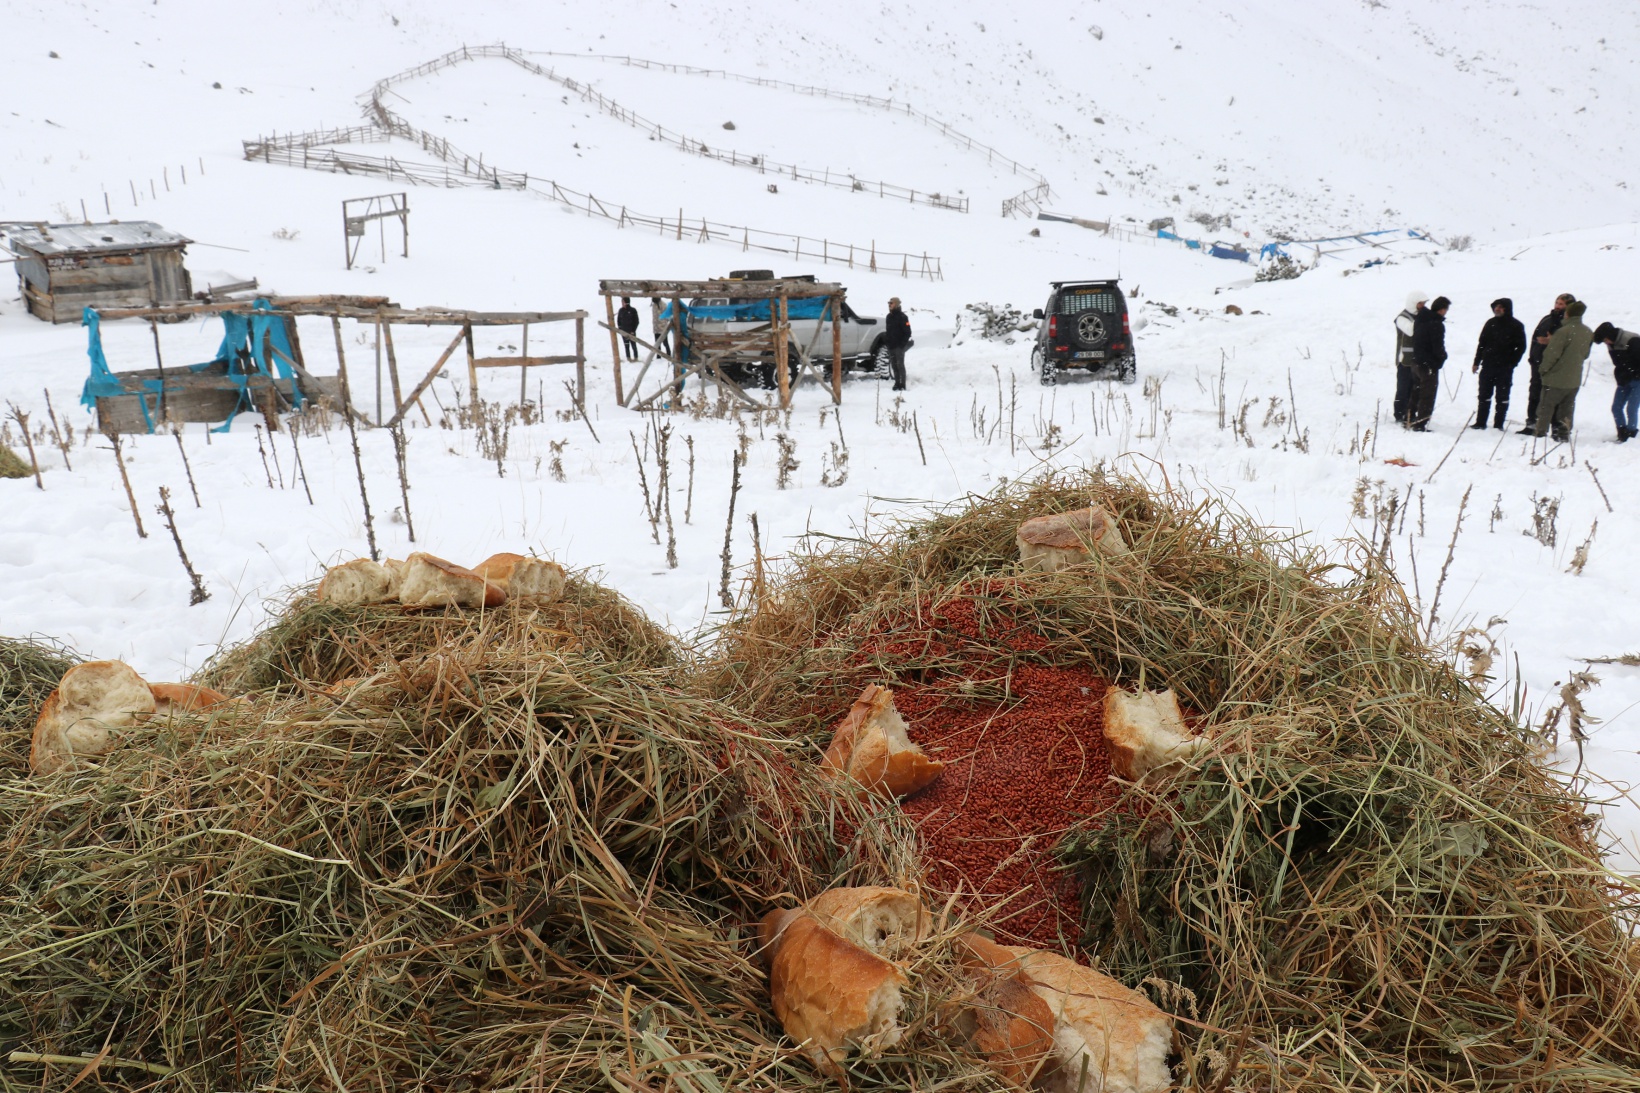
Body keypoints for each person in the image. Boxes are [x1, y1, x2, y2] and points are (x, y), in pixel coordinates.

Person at [1532, 300, 1592, 441]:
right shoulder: (1588, 332)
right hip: (1574, 378)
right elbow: (1586, 354)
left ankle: (1540, 436)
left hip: (1555, 379)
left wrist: (1543, 370)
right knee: (1567, 409)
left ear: (1568, 313)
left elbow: (1552, 354)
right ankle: (1564, 435)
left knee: (1546, 407)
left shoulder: (1563, 332)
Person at [1519, 292, 1574, 433]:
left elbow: (1569, 345)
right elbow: (1535, 338)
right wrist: (1533, 357)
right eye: (1557, 303)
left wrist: (1551, 341)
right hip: (1538, 363)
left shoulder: (1569, 325)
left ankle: (1555, 425)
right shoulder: (1546, 319)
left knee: (1553, 397)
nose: (1558, 306)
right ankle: (1531, 423)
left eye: (1561, 304)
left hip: (1556, 367)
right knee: (1535, 394)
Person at [1470, 298, 1526, 429]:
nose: (1497, 309)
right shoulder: (1490, 323)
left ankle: (1498, 424)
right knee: (1484, 395)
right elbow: (1482, 344)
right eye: (1496, 306)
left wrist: (1512, 363)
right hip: (1488, 366)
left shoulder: (1516, 325)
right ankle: (1480, 422)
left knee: (1502, 397)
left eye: (1501, 307)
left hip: (1505, 368)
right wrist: (1476, 362)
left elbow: (1521, 347)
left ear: (1507, 308)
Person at [1593, 321, 1639, 442]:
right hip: (1624, 379)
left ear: (1610, 336)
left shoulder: (1631, 340)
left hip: (1638, 380)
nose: (1606, 343)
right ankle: (1622, 431)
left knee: (1632, 408)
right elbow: (1618, 363)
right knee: (1616, 407)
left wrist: (1635, 374)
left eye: (1605, 340)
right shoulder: (1611, 344)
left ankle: (1631, 433)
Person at [1409, 295, 1449, 431]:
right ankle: (1420, 424)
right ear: (1443, 309)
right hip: (1428, 364)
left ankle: (1410, 417)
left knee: (1415, 391)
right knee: (1427, 395)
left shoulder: (1421, 319)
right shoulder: (1436, 325)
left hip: (1416, 361)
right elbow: (1438, 346)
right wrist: (1442, 358)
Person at [1393, 290, 1427, 426]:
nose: (1423, 306)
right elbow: (1411, 330)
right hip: (1405, 361)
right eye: (1420, 303)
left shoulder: (1420, 316)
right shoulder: (1402, 318)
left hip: (1417, 361)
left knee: (1415, 389)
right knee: (1403, 389)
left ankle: (1411, 413)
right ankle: (1400, 414)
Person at [885, 297, 912, 391]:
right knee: (894, 365)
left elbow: (908, 332)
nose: (889, 305)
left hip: (899, 347)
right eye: (889, 303)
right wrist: (887, 343)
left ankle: (902, 384)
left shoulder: (903, 317)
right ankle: (896, 383)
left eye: (891, 303)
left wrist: (902, 345)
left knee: (900, 365)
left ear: (896, 304)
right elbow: (888, 331)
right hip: (891, 346)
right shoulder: (888, 317)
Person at [616, 297, 640, 361]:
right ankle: (628, 357)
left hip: (631, 331)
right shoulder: (621, 310)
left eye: (623, 302)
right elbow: (618, 321)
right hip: (623, 331)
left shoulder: (633, 310)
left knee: (633, 345)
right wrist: (620, 328)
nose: (622, 303)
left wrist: (633, 330)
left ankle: (636, 357)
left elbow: (636, 321)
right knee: (626, 345)